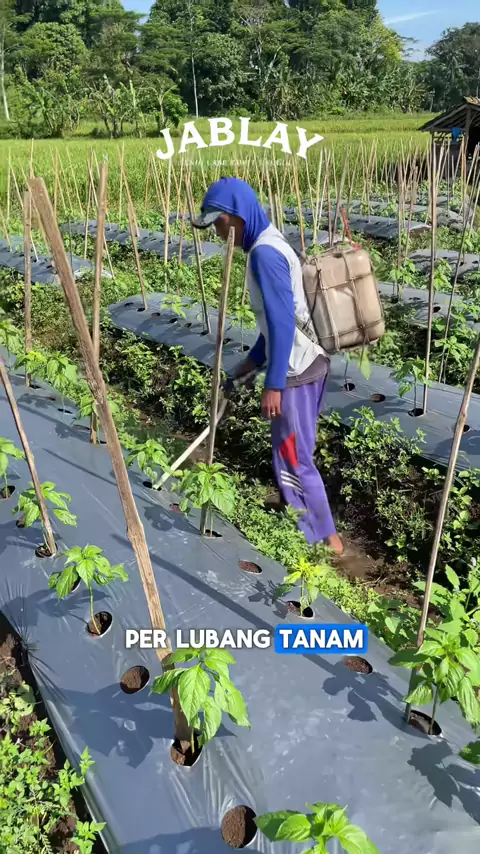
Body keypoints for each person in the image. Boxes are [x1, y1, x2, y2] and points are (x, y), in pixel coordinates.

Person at [191, 176, 344, 556]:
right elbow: (273, 323)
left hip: (296, 371)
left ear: (237, 216)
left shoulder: (264, 254)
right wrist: (251, 364)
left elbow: (281, 321)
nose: (218, 233)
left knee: (294, 458)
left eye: (219, 223)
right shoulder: (268, 244)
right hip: (301, 364)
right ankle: (307, 521)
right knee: (292, 454)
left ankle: (326, 543)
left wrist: (273, 384)